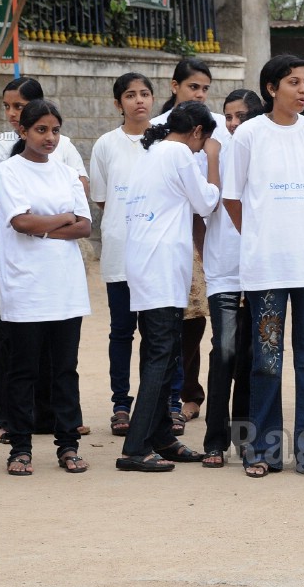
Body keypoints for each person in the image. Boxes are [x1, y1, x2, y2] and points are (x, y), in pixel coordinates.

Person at [222, 54, 304, 477]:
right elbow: (232, 198)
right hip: (266, 269)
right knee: (266, 362)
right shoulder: (249, 134)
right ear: (272, 88)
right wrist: (258, 238)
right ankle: (264, 452)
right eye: (294, 82)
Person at [0, 77, 88, 444]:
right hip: (25, 284)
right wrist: (62, 218)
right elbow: (19, 221)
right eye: (41, 129)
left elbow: (85, 226)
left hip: (65, 285)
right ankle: (21, 446)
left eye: (55, 130)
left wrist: (44, 225)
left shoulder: (66, 172)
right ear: (23, 131)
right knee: (22, 368)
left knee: (64, 370)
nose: (50, 138)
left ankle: (68, 445)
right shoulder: (9, 170)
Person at [117, 101, 220, 472]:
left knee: (161, 352)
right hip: (160, 265)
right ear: (197, 132)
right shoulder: (179, 152)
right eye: (203, 140)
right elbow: (207, 202)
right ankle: (134, 448)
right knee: (162, 355)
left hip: (146, 263)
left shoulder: (152, 152)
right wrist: (213, 159)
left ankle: (161, 436)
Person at [151, 58, 230, 431]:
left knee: (191, 323)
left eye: (204, 89)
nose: (199, 94)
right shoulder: (160, 135)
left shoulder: (212, 133)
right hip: (172, 237)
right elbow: (206, 199)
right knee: (165, 327)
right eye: (193, 87)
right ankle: (163, 404)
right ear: (174, 86)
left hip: (202, 235)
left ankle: (185, 398)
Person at [200, 90, 264, 467]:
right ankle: (214, 439)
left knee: (253, 356)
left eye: (241, 116)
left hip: (260, 268)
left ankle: (245, 436)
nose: (233, 123)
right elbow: (208, 203)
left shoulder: (266, 147)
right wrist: (212, 157)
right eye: (228, 116)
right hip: (224, 268)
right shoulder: (215, 149)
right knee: (224, 351)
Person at [89, 73, 154, 437]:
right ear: (118, 104)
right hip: (120, 250)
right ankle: (120, 405)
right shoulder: (106, 145)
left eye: (145, 93)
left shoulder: (164, 142)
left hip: (156, 253)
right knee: (121, 332)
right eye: (130, 95)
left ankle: (162, 402)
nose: (139, 101)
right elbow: (102, 197)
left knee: (159, 332)